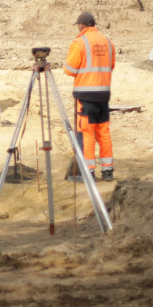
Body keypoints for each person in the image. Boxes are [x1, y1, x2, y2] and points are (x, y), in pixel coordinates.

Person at [64, 11, 116, 181]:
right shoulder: (108, 42)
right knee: (103, 132)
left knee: (87, 133)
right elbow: (111, 65)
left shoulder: (80, 42)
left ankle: (89, 172)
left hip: (86, 96)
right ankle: (108, 170)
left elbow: (69, 70)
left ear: (82, 25)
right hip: (103, 95)